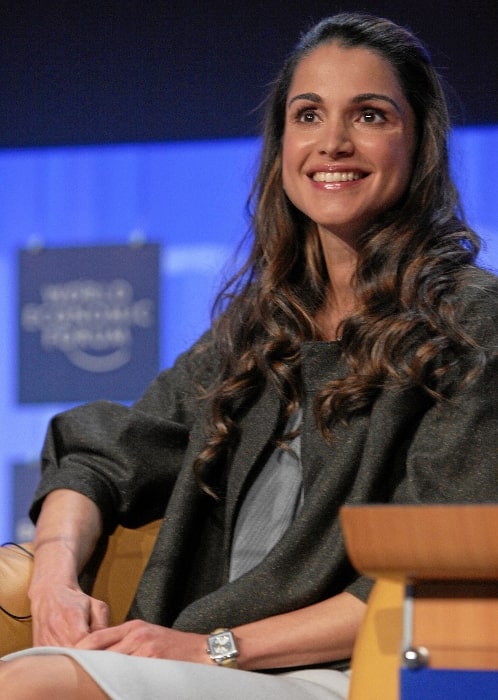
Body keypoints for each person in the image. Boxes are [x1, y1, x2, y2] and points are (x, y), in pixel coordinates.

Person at [1, 11, 497, 700]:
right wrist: (54, 578)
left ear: (419, 144)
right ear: (281, 143)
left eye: (371, 116)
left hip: (357, 676)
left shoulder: (469, 323)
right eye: (309, 115)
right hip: (197, 657)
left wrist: (216, 648)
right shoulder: (262, 328)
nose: (334, 143)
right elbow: (103, 453)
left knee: (31, 688)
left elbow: (439, 567)